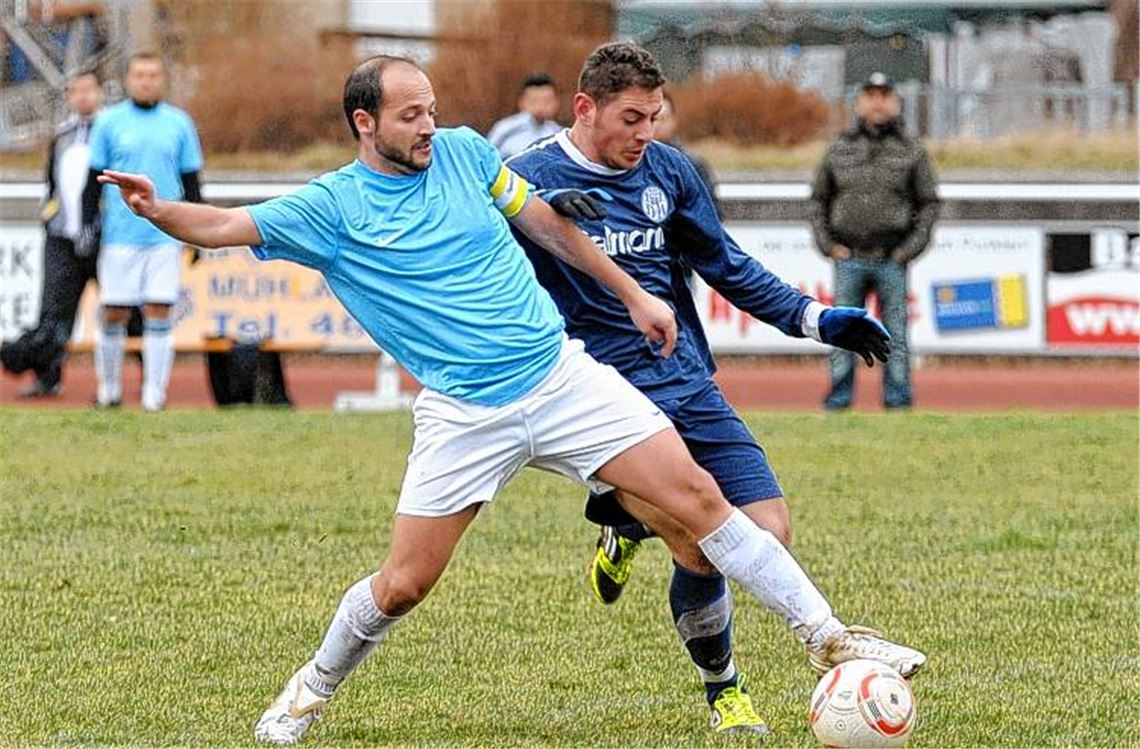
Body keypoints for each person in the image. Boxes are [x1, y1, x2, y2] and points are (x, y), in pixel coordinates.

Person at [99, 54, 922, 747]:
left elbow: (550, 228)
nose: (428, 125)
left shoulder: (463, 152)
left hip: (564, 378)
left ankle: (829, 637)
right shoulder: (329, 209)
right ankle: (310, 688)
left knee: (702, 500)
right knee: (404, 584)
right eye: (410, 115)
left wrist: (635, 297)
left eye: (431, 109)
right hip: (465, 413)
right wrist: (158, 209)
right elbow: (220, 225)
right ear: (364, 123)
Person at [508, 41, 925, 735]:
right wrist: (533, 209)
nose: (647, 134)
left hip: (684, 379)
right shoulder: (522, 178)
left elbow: (726, 264)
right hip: (600, 396)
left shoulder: (668, 172)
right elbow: (459, 240)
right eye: (632, 119)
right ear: (584, 108)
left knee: (770, 530)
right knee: (703, 540)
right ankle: (723, 690)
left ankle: (626, 523)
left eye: (655, 117)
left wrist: (817, 318)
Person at [810, 72, 941, 411]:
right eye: (871, 94)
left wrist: (908, 250)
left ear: (896, 102)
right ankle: (839, 399)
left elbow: (928, 204)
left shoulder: (912, 151)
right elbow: (818, 201)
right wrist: (828, 245)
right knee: (841, 332)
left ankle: (898, 400)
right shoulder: (839, 148)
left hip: (890, 257)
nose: (878, 102)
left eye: (885, 94)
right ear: (859, 102)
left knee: (895, 334)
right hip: (848, 255)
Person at [81, 51, 205, 411]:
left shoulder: (179, 123)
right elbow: (92, 180)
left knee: (159, 310)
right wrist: (88, 224)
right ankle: (109, 391)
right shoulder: (109, 122)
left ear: (162, 79)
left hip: (163, 235)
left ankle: (154, 395)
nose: (146, 81)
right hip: (120, 236)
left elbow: (191, 181)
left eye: (153, 75)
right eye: (140, 75)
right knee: (115, 312)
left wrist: (195, 231)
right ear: (128, 79)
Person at [2, 70, 102, 397]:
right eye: (76, 91)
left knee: (123, 307)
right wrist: (51, 218)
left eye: (89, 90)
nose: (83, 97)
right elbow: (53, 184)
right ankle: (48, 377)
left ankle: (145, 379)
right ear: (70, 97)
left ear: (100, 93)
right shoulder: (62, 137)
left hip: (105, 238)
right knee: (54, 310)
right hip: (62, 239)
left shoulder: (113, 133)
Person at [654, 89, 720, 219]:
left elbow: (711, 215)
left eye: (662, 119)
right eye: (652, 119)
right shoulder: (629, 162)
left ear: (674, 121)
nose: (656, 126)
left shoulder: (691, 165)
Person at [486, 72, 561, 160]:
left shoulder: (558, 133)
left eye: (546, 101)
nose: (540, 106)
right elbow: (487, 158)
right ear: (521, 102)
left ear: (557, 102)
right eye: (534, 101)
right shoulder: (505, 129)